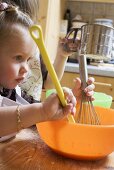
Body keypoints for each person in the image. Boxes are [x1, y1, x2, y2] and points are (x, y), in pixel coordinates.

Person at [0, 2, 94, 142]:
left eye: (28, 59)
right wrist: (42, 111)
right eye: (18, 58)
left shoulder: (16, 91)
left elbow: (36, 114)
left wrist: (67, 102)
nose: (26, 68)